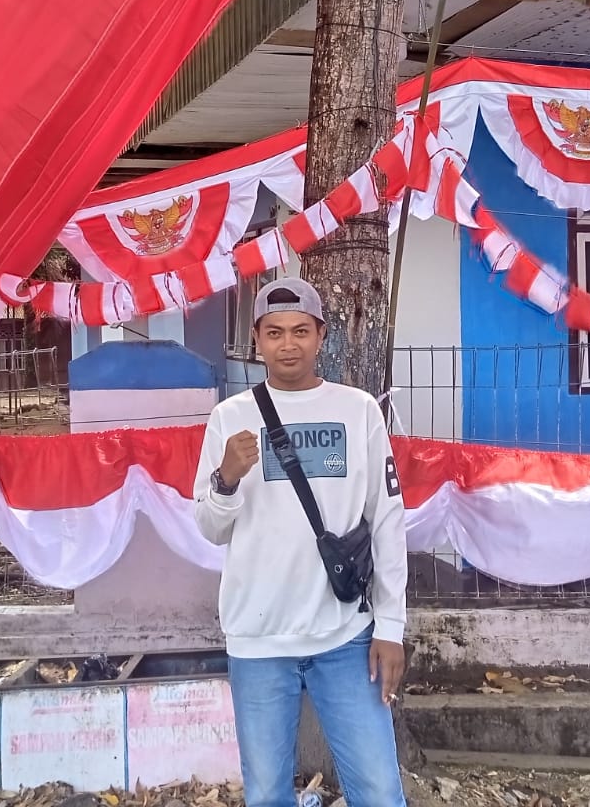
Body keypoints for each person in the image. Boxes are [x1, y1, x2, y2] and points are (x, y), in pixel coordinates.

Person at [193, 277, 408, 807]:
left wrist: (392, 626)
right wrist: (226, 479)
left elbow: (387, 519)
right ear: (257, 342)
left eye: (300, 331)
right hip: (258, 641)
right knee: (266, 795)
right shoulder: (230, 418)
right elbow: (210, 527)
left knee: (381, 792)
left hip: (346, 638)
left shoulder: (358, 411)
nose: (288, 344)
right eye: (274, 333)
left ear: (321, 336)